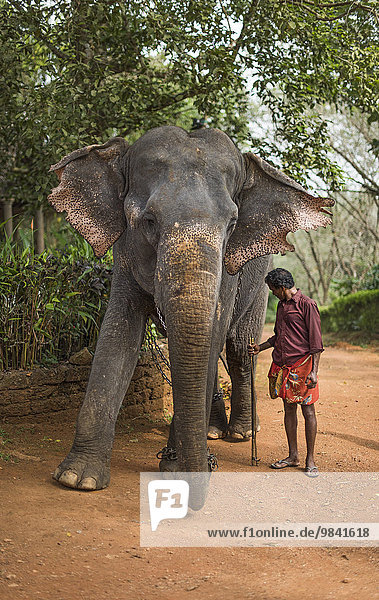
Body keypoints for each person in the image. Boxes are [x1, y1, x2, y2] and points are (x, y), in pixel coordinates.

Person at [248, 268, 323, 477]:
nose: (272, 293)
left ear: (282, 287)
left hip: (303, 366)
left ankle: (310, 460)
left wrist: (314, 372)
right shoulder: (281, 306)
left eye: (273, 290)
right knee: (289, 409)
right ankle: (293, 456)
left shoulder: (307, 305)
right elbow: (278, 337)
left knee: (308, 411)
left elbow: (316, 343)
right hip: (283, 366)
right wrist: (260, 348)